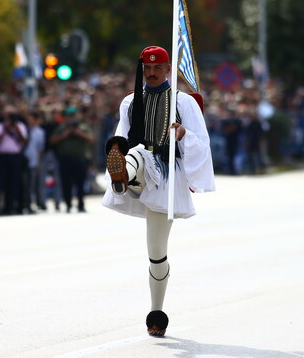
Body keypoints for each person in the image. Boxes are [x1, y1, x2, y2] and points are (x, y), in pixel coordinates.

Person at [102, 46, 215, 337]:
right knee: (136, 153)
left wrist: (183, 135)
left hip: (166, 177)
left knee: (156, 253)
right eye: (146, 68)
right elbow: (121, 139)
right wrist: (121, 159)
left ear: (168, 70)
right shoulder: (129, 102)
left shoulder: (184, 102)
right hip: (138, 165)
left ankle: (156, 312)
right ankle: (122, 177)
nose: (151, 73)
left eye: (157, 68)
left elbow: (202, 146)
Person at [50, 106, 95, 213]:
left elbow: (91, 139)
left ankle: (81, 204)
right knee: (66, 183)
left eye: (73, 115)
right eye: (69, 116)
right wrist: (64, 135)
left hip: (79, 159)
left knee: (80, 183)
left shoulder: (83, 126)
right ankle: (68, 204)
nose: (72, 118)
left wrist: (79, 133)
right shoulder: (61, 128)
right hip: (65, 160)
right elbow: (52, 140)